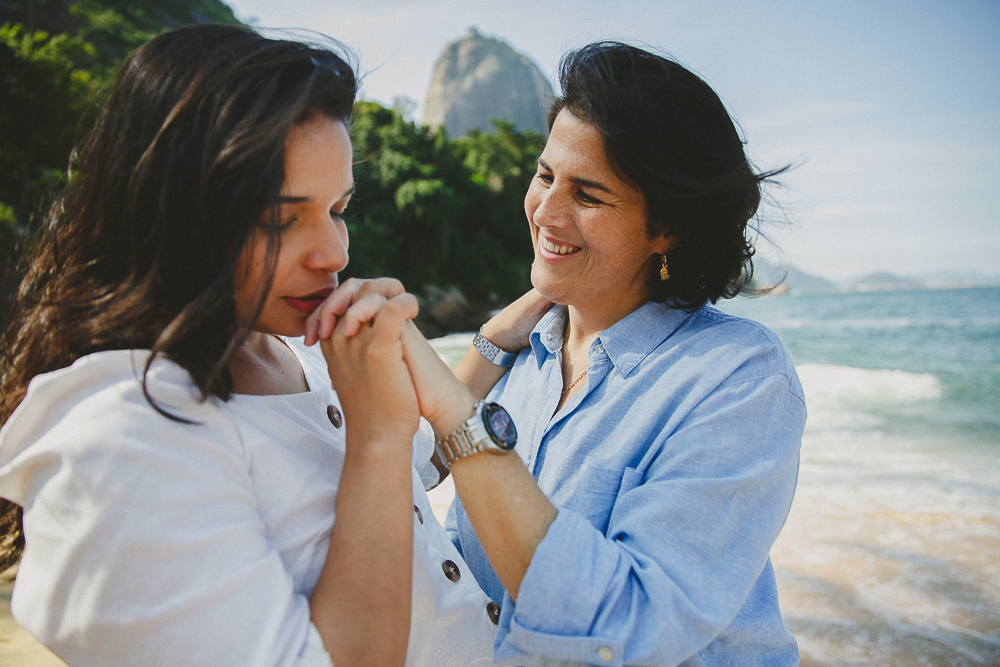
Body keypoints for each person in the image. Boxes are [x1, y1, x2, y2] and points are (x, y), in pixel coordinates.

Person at [0, 24, 496, 666]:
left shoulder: (302, 350)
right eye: (280, 219)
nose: (335, 254)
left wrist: (492, 341)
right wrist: (375, 435)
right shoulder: (124, 440)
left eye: (338, 210)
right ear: (174, 215)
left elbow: (416, 468)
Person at [374, 41, 807, 666]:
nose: (546, 212)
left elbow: (630, 625)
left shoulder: (738, 377)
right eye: (545, 176)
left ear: (668, 228)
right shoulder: (517, 358)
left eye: (588, 195)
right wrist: (487, 348)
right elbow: (384, 490)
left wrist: (460, 421)